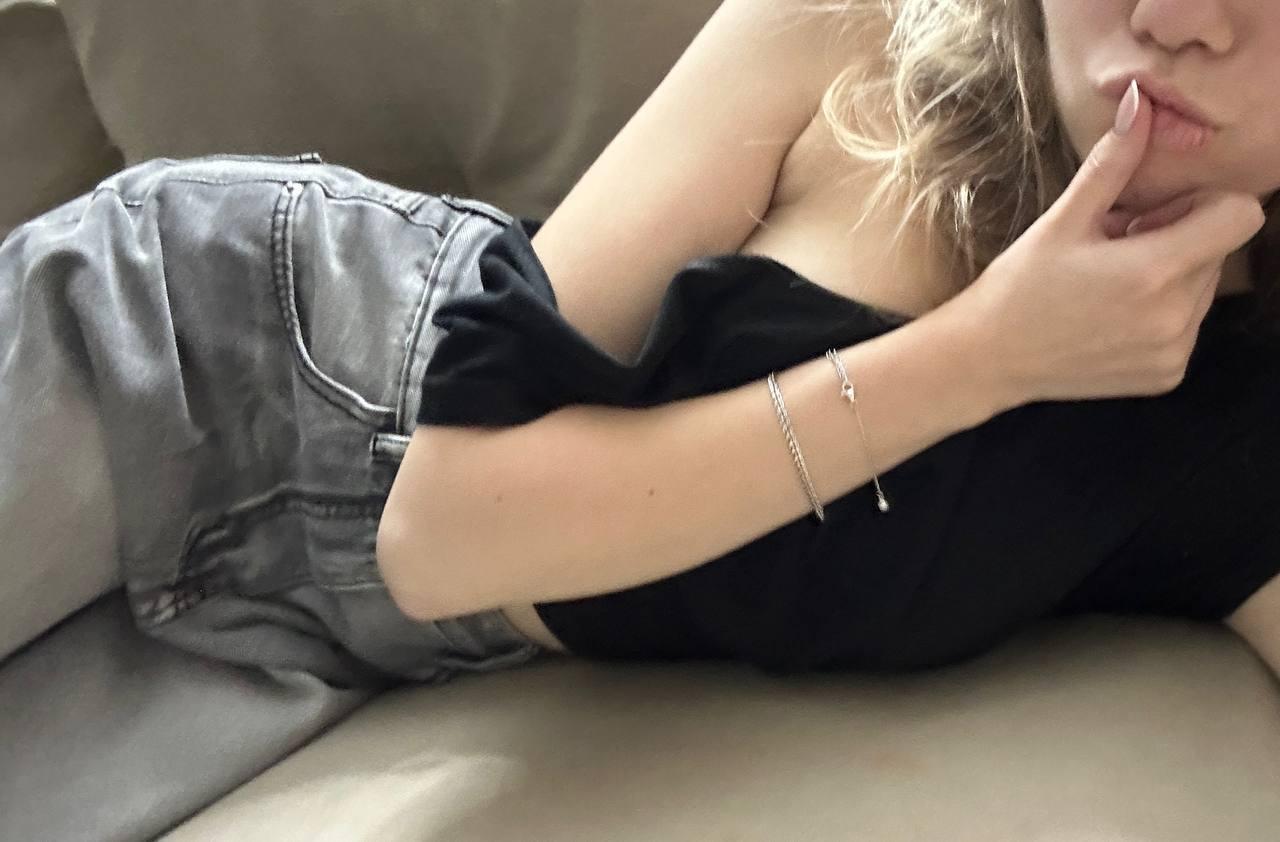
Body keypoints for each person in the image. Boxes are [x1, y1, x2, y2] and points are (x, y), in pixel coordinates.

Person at [2, 0, 1278, 692]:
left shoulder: (1234, 426)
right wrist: (985, 355)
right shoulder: (849, 37)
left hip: (354, 653)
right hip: (207, 340)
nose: (1177, 16)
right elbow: (439, 529)